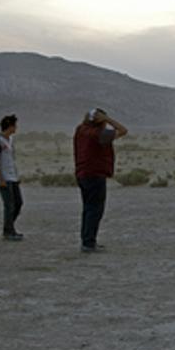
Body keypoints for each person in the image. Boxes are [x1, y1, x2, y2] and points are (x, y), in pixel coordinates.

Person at [73, 108, 128, 253]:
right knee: (95, 210)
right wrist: (108, 119)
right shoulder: (98, 134)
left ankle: (87, 240)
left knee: (88, 209)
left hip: (82, 174)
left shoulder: (81, 130)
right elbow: (123, 130)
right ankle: (89, 243)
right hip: (95, 175)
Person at [0, 114, 23, 241]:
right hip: (4, 178)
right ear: (9, 126)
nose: (16, 128)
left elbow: (12, 159)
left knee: (18, 203)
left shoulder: (11, 140)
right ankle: (9, 231)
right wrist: (1, 179)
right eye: (15, 125)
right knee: (9, 205)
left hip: (13, 177)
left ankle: (9, 227)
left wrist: (17, 175)